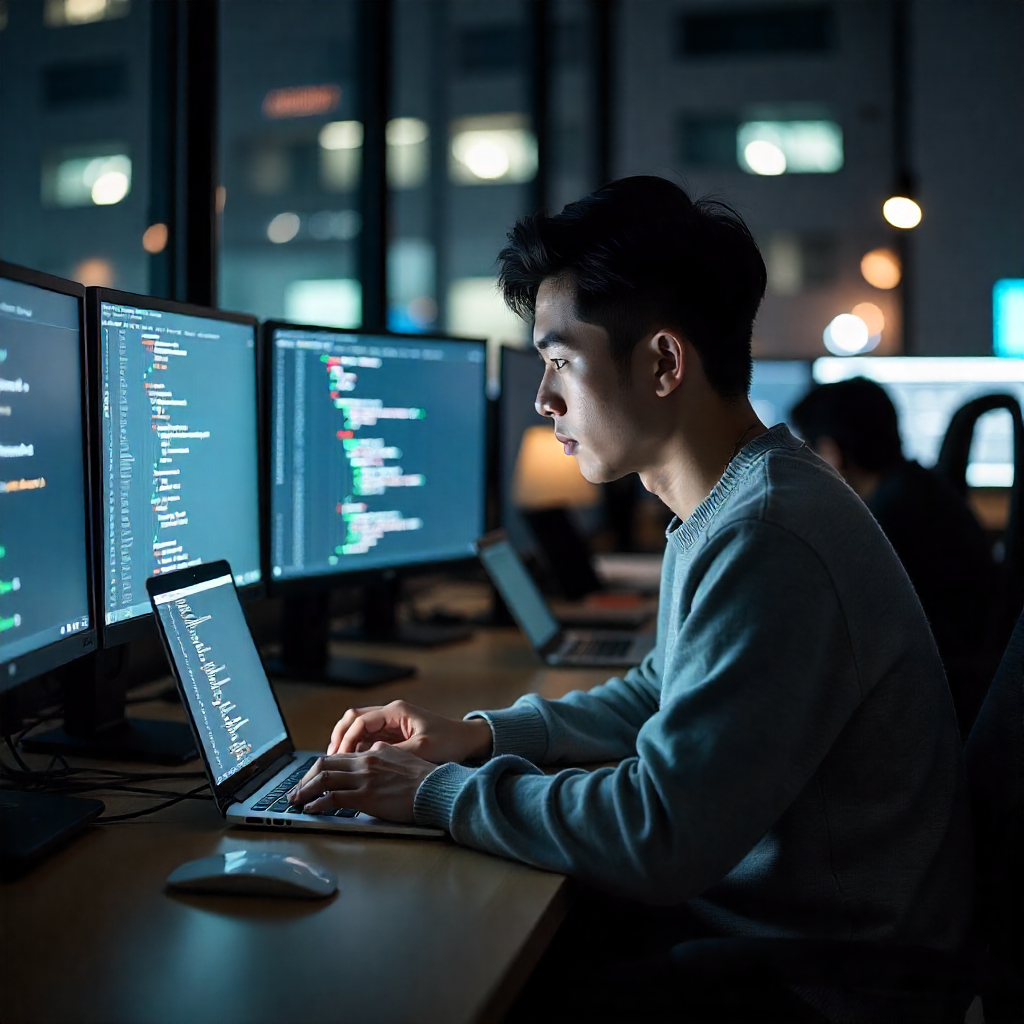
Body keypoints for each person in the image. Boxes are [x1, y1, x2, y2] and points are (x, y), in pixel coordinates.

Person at [287, 177, 971, 1022]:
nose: (543, 400)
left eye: (559, 362)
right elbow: (661, 691)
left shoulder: (768, 533)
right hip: (760, 924)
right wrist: (482, 736)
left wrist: (435, 794)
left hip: (821, 980)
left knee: (434, 972)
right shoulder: (738, 500)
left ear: (662, 363)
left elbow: (659, 832)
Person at [791, 378, 998, 736]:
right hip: (955, 689)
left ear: (831, 451)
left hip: (933, 704)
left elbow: (844, 625)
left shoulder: (889, 516)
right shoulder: (914, 488)